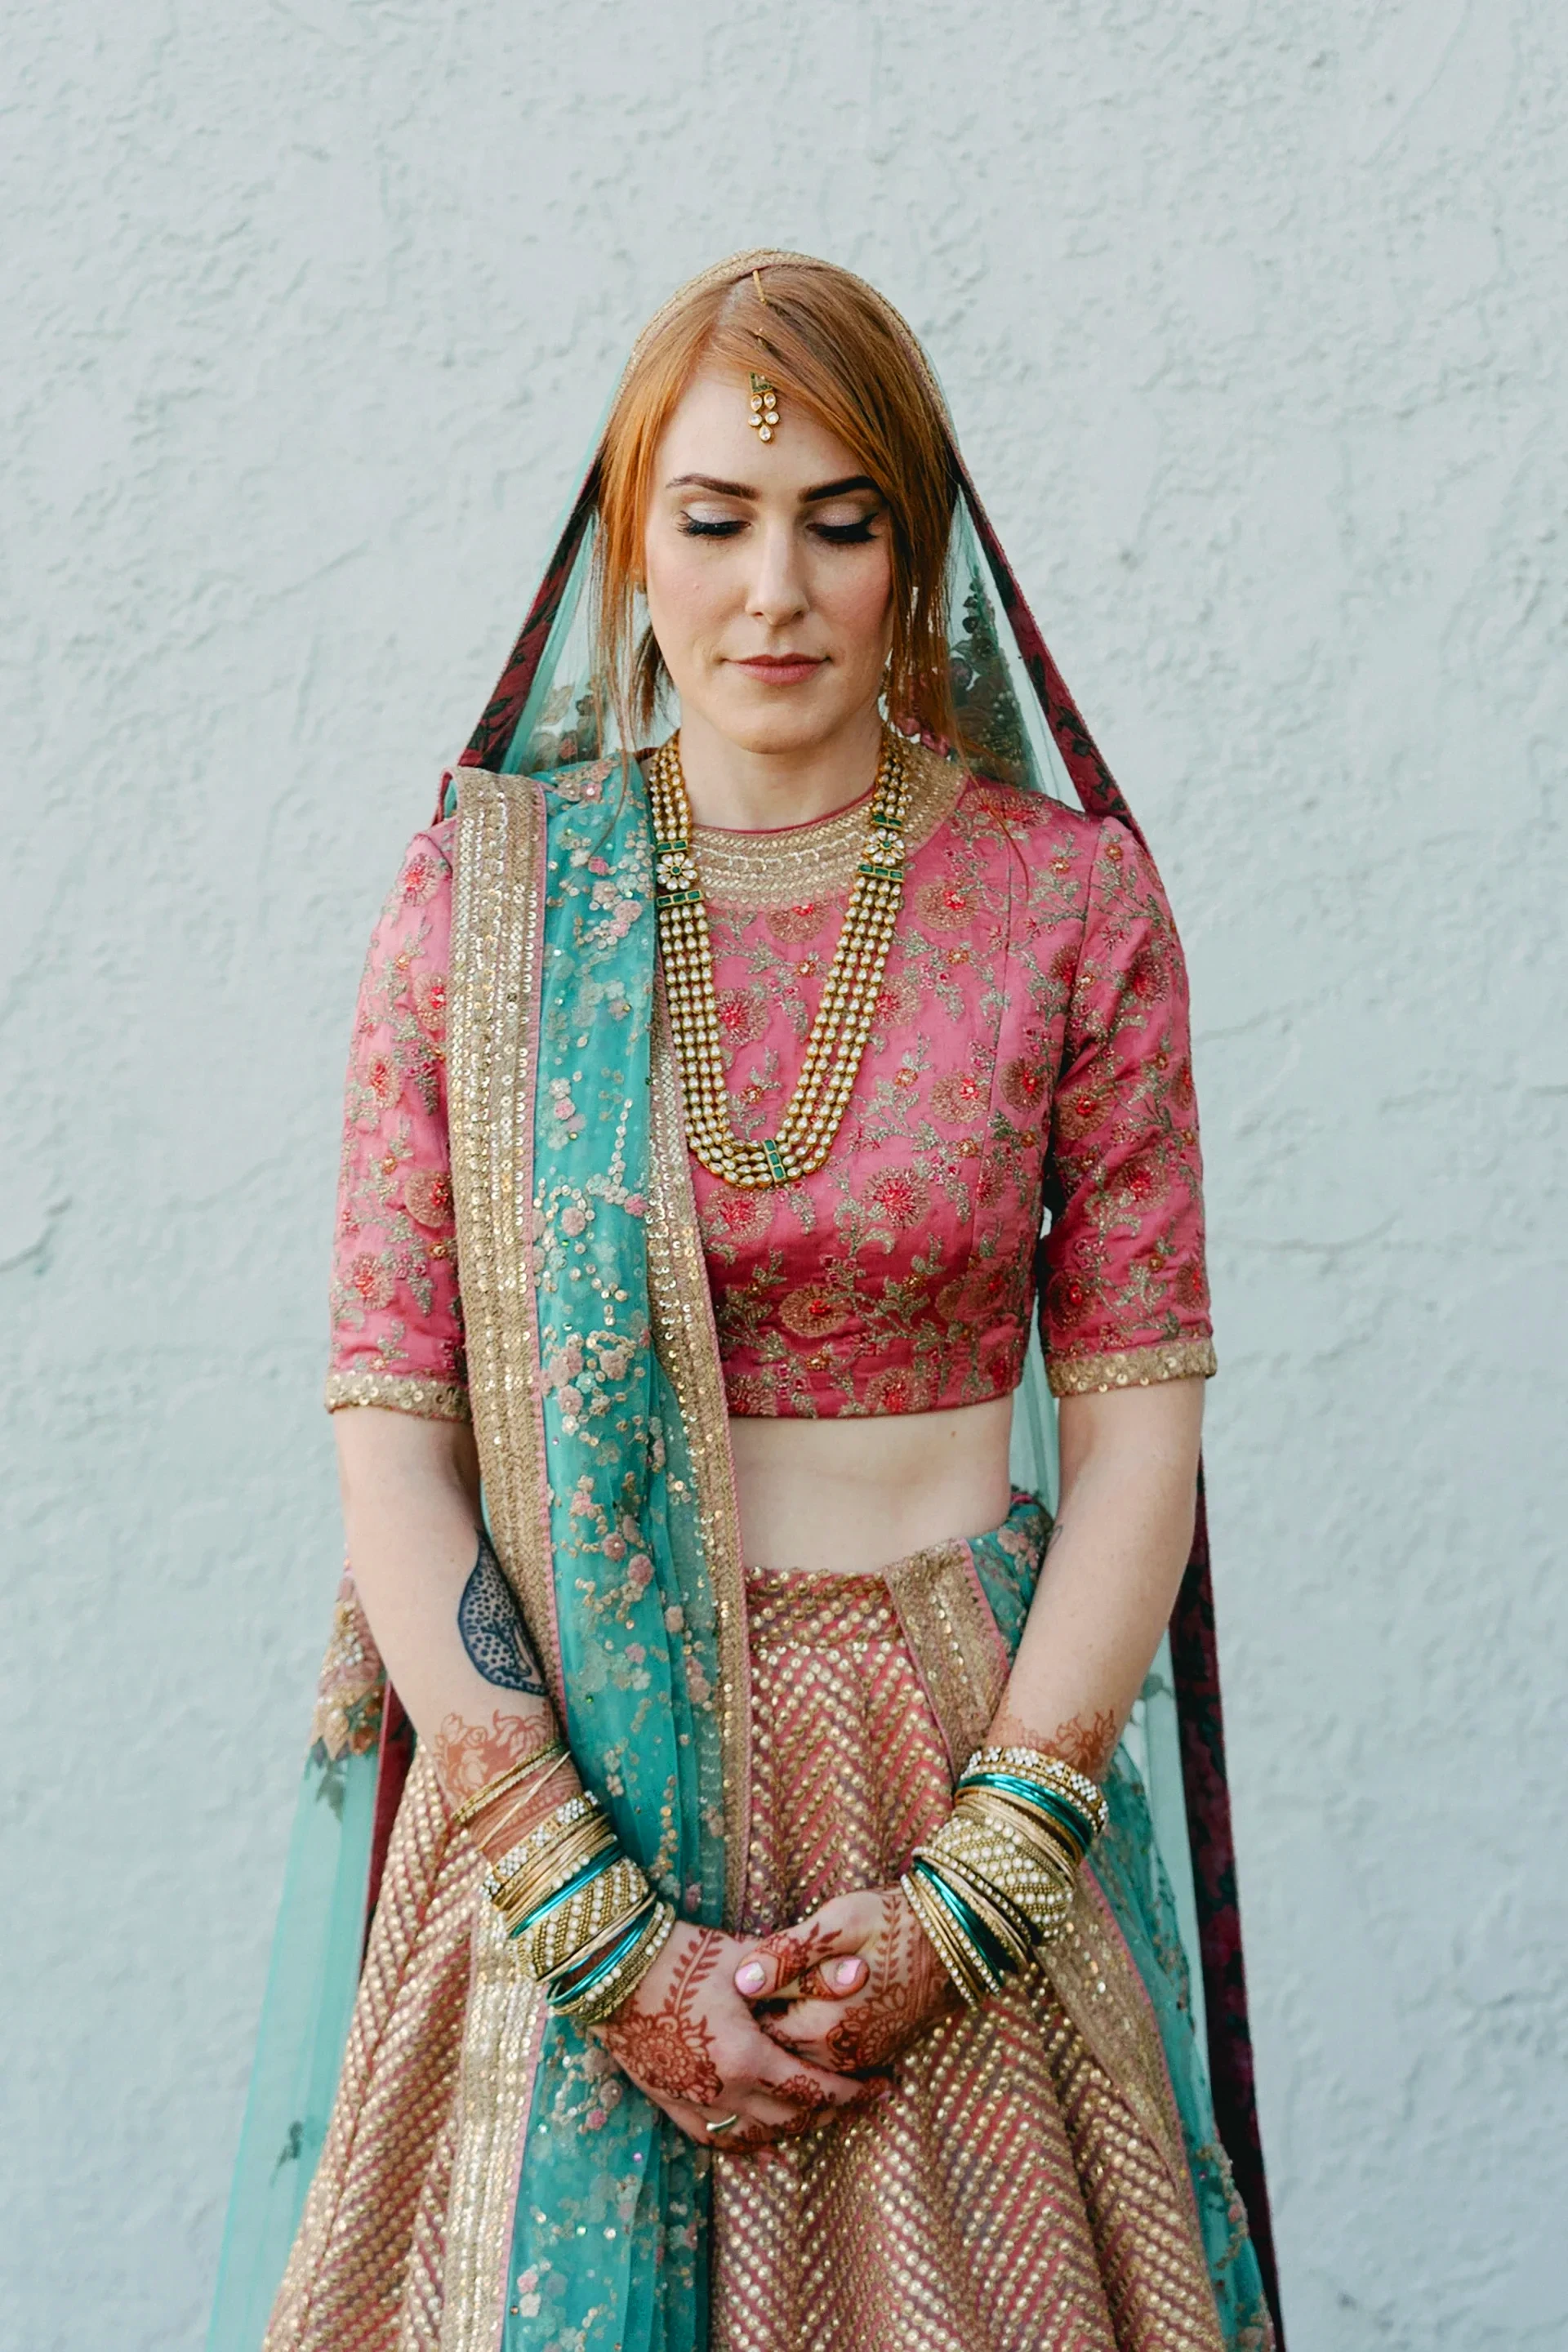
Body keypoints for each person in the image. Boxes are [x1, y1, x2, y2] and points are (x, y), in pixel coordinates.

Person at [210, 252, 1282, 2352]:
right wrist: (593, 1925)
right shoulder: (485, 911)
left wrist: (980, 1886)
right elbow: (392, 1447)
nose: (774, 588)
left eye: (841, 520)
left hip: (963, 1774)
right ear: (631, 545)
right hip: (566, 1796)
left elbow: (1145, 1435)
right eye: (713, 522)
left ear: (921, 549)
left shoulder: (1069, 907)